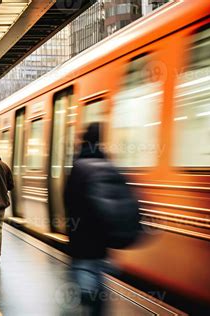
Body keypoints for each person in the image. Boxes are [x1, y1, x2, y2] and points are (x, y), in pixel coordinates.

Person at [64, 122, 140, 316]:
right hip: (102, 243)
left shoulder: (79, 167)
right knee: (98, 274)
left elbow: (69, 201)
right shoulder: (109, 165)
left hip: (81, 240)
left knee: (83, 271)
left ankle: (86, 296)